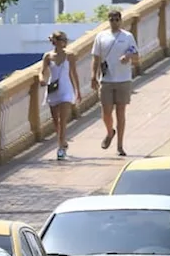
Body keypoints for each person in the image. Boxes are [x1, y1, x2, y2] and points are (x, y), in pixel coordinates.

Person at [91, 9, 140, 157]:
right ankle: (110, 132)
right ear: (108, 21)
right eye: (111, 20)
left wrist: (128, 56)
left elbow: (137, 57)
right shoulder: (101, 37)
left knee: (121, 113)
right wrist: (93, 76)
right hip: (106, 79)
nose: (114, 22)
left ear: (121, 20)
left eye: (117, 19)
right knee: (106, 112)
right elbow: (96, 58)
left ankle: (120, 146)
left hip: (123, 79)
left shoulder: (128, 37)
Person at [40, 31, 81, 160]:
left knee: (62, 120)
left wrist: (77, 91)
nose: (61, 42)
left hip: (66, 89)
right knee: (55, 121)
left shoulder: (70, 56)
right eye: (58, 40)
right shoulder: (48, 56)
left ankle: (60, 148)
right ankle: (62, 141)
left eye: (62, 40)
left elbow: (74, 73)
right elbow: (42, 72)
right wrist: (42, 79)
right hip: (53, 89)